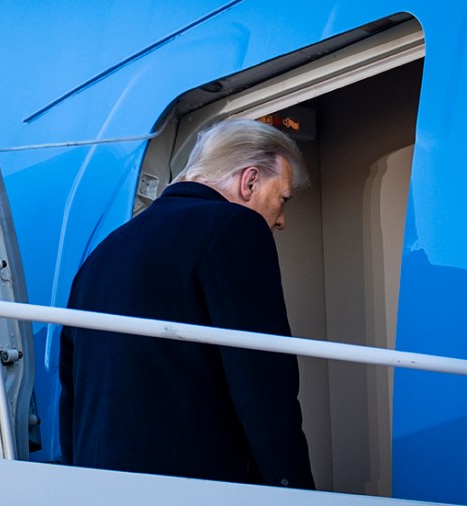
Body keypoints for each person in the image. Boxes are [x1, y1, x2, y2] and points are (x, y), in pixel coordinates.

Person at [58, 119, 315, 488]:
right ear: (250, 180)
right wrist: (295, 490)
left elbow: (73, 393)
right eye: (282, 198)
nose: (281, 220)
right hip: (193, 485)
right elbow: (263, 383)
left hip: (99, 485)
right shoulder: (235, 227)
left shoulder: (103, 254)